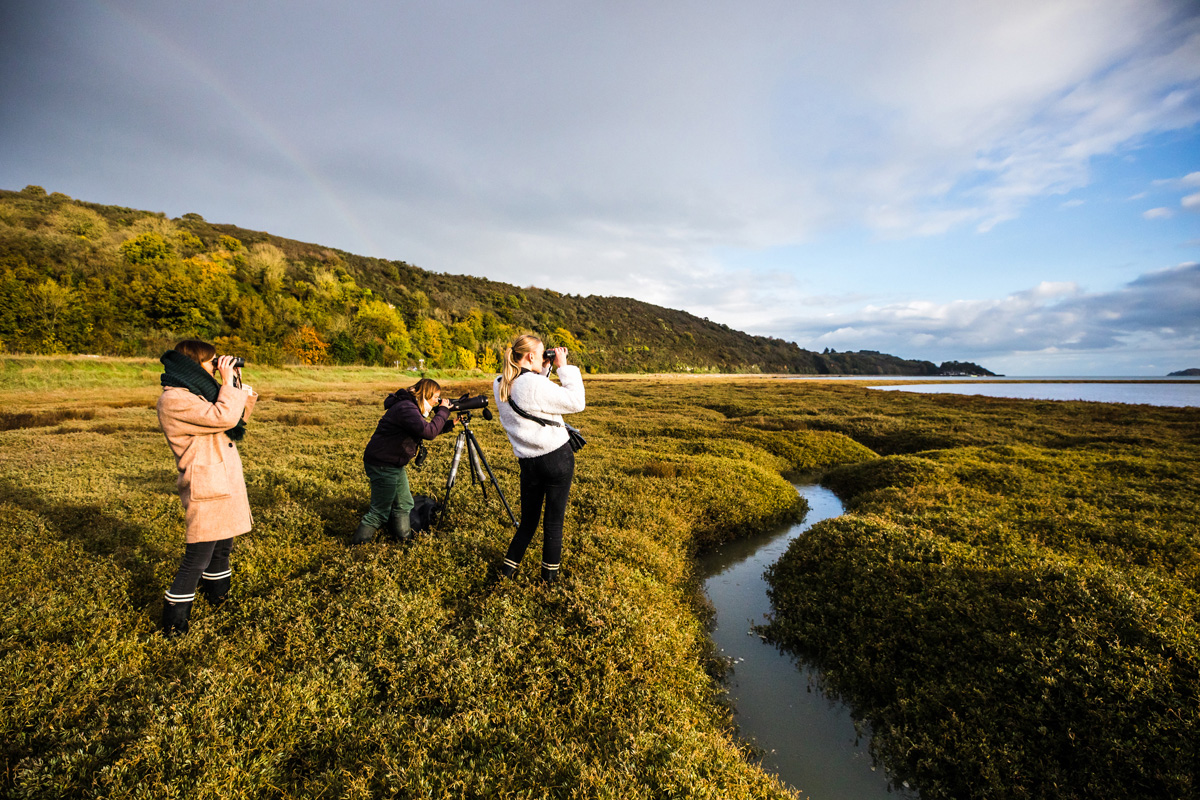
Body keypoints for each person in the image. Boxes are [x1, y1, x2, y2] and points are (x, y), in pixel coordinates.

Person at [157, 340, 258, 637]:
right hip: (205, 480)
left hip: (223, 477)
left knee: (222, 545)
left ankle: (218, 598)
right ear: (193, 364)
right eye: (211, 362)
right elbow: (224, 417)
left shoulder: (201, 393)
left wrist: (235, 384)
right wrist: (227, 383)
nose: (216, 367)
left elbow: (237, 421)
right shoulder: (175, 399)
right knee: (199, 553)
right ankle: (175, 621)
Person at [493, 333, 585, 582]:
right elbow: (577, 402)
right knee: (553, 523)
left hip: (528, 462)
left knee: (528, 522)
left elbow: (529, 398)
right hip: (556, 459)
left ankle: (507, 573)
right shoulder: (532, 385)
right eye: (543, 353)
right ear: (531, 356)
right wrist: (563, 367)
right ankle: (549, 581)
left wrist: (542, 370)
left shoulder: (500, 383)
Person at [354, 378, 454, 544]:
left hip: (393, 464)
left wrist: (450, 423)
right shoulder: (406, 408)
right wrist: (443, 411)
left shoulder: (410, 406)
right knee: (379, 512)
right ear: (425, 394)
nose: (437, 402)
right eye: (435, 398)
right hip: (383, 465)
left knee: (404, 504)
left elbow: (423, 429)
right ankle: (357, 547)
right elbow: (428, 432)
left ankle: (404, 540)